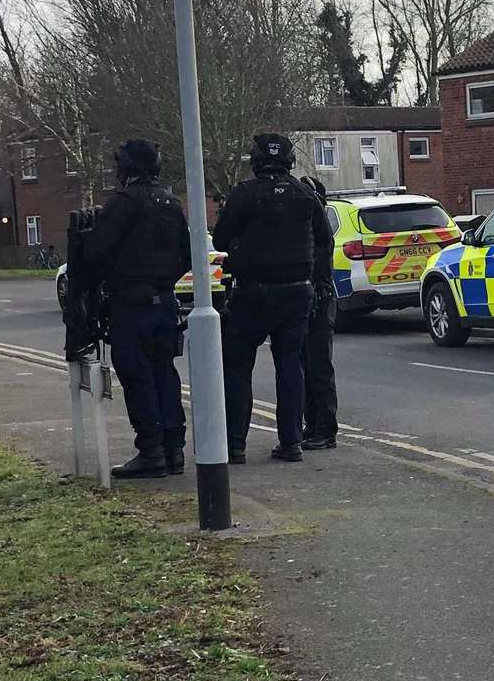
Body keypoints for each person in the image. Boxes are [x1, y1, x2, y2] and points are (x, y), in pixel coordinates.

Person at [213, 134, 330, 464]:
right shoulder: (305, 194)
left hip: (254, 290)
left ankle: (235, 445)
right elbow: (323, 238)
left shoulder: (245, 194)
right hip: (296, 290)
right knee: (290, 363)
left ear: (255, 160)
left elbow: (220, 238)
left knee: (238, 366)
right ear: (290, 161)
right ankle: (291, 442)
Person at [83, 138, 191, 479]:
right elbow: (185, 255)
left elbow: (95, 253)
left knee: (136, 375)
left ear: (126, 166)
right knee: (165, 374)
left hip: (131, 305)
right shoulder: (171, 203)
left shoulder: (123, 203)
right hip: (164, 302)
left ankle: (151, 451)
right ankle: (174, 450)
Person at [299, 175, 339, 450]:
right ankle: (312, 424)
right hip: (308, 299)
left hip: (320, 300)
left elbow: (319, 264)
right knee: (305, 366)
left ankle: (324, 429)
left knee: (318, 366)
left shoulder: (319, 227)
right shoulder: (307, 227)